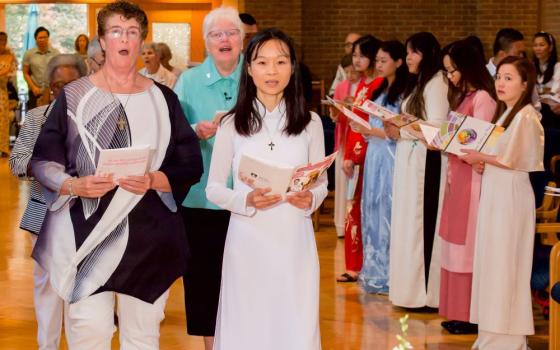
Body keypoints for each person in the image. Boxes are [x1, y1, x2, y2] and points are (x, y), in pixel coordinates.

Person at [29, 2, 203, 348]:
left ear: (142, 41)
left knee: (142, 335)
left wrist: (155, 179)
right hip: (84, 236)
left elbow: (190, 162)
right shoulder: (74, 97)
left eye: (133, 32)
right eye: (116, 31)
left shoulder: (163, 99)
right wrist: (74, 183)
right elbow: (43, 160)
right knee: (88, 332)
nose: (125, 39)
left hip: (149, 237)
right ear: (103, 41)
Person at [206, 27, 326, 350]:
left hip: (294, 239)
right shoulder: (232, 123)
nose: (272, 71)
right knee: (248, 322)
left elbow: (322, 183)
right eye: (262, 62)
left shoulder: (310, 122)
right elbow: (213, 188)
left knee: (295, 321)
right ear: (249, 68)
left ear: (292, 67)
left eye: (281, 62)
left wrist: (309, 197)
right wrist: (246, 198)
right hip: (248, 238)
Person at [460, 56, 544, 350]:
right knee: (492, 262)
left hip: (511, 196)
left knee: (506, 264)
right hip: (495, 192)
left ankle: (507, 340)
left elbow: (518, 160)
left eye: (509, 78)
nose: (501, 83)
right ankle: (491, 334)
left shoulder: (527, 116)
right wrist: (480, 161)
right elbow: (498, 157)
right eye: (499, 77)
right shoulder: (504, 114)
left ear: (525, 83)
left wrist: (480, 158)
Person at [173, 7, 243, 350]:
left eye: (231, 33)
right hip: (202, 197)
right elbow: (171, 134)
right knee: (204, 279)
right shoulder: (188, 81)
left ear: (243, 40)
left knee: (247, 277)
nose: (225, 40)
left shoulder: (259, 75)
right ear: (206, 42)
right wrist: (194, 131)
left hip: (250, 197)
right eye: (217, 34)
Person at [9, 53, 87, 350]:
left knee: (81, 287)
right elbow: (17, 163)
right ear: (50, 88)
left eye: (71, 83)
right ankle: (47, 346)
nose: (63, 90)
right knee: (47, 287)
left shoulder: (96, 117)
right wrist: (46, 167)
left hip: (86, 215)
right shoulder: (36, 117)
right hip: (42, 215)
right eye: (57, 85)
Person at [385, 32, 449, 308]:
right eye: (408, 52)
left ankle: (424, 293)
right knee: (406, 221)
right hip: (410, 159)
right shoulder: (419, 83)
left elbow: (437, 128)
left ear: (427, 54)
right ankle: (407, 290)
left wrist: (405, 127)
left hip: (426, 162)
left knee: (419, 223)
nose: (408, 57)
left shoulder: (437, 83)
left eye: (414, 52)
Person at [438, 39, 497, 334]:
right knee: (453, 244)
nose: (450, 76)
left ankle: (471, 313)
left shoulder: (483, 98)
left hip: (472, 180)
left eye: (452, 70)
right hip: (456, 176)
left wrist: (452, 144)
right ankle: (457, 309)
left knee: (468, 247)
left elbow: (483, 142)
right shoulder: (465, 96)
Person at [351, 40, 407, 293]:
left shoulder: (404, 92)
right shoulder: (380, 89)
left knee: (387, 211)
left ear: (399, 61)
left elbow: (399, 131)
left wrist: (370, 129)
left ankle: (389, 274)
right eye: (378, 61)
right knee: (371, 209)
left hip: (390, 155)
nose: (380, 65)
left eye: (385, 60)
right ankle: (372, 271)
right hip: (374, 154)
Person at [337, 35, 382, 283]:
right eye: (354, 55)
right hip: (357, 151)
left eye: (361, 55)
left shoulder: (377, 85)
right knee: (354, 209)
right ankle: (355, 265)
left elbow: (366, 123)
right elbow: (355, 122)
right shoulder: (364, 84)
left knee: (365, 210)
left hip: (368, 153)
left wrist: (355, 155)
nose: (356, 60)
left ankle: (364, 266)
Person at [330, 54, 360, 238]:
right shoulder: (341, 87)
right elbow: (335, 115)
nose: (349, 74)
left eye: (352, 70)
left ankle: (355, 224)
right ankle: (341, 225)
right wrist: (337, 109)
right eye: (346, 71)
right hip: (344, 136)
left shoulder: (366, 85)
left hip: (358, 139)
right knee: (342, 182)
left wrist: (354, 105)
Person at [23, 26, 60, 109]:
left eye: (45, 37)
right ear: (36, 39)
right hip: (35, 91)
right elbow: (25, 73)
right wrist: (33, 87)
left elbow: (60, 72)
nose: (43, 40)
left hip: (52, 91)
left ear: (48, 38)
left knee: (51, 118)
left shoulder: (56, 53)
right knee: (35, 119)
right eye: (40, 38)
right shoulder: (29, 54)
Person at [0, 31, 16, 157]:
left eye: (4, 40)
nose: (2, 43)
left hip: (2, 90)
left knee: (3, 119)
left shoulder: (10, 56)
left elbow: (11, 72)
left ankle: (4, 148)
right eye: (0, 40)